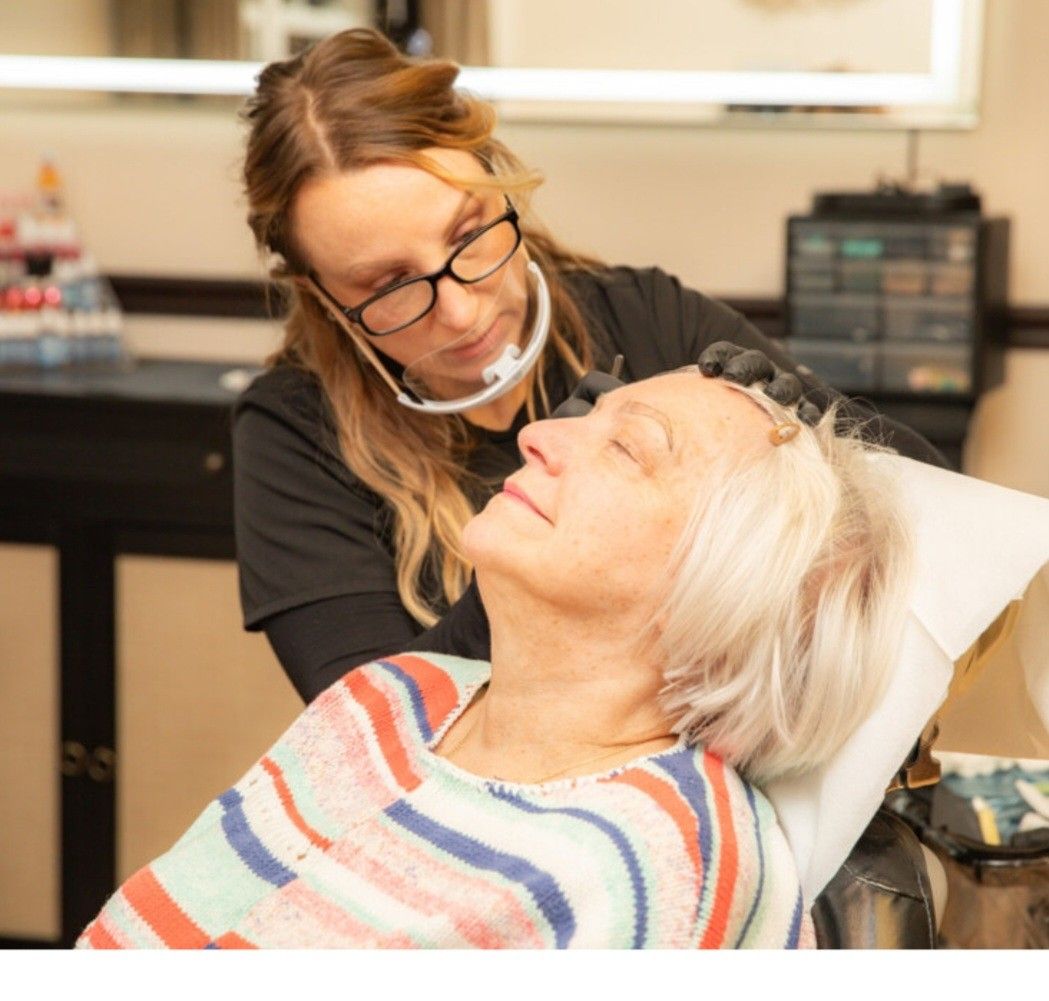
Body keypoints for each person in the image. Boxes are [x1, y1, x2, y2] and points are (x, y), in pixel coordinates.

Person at [77, 369, 912, 949]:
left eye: (626, 447)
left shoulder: (665, 867)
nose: (540, 433)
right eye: (586, 415)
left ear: (731, 579)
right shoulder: (390, 696)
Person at [232, 27, 945, 706]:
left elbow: (928, 507)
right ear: (321, 297)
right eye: (389, 288)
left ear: (498, 178)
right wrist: (524, 556)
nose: (461, 313)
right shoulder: (294, 430)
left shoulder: (647, 318)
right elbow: (370, 723)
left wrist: (809, 443)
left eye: (471, 233)